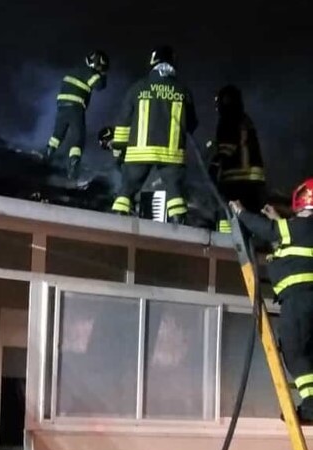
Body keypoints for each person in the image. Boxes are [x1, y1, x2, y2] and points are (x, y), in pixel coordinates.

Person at [230, 178, 313, 424]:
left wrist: (242, 213)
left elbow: (269, 231)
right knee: (308, 352)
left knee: (295, 351)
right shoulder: (302, 231)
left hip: (298, 299)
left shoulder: (303, 226)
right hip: (306, 300)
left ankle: (311, 406)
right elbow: (288, 239)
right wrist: (277, 219)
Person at [109, 45, 198, 224]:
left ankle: (118, 218)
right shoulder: (182, 91)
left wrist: (119, 150)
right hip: (172, 154)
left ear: (153, 62)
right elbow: (192, 124)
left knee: (128, 186)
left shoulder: (138, 88)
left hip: (139, 152)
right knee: (174, 190)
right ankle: (179, 222)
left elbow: (124, 122)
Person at [209, 85, 266, 233]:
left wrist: (213, 165)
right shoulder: (245, 119)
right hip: (254, 181)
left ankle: (226, 242)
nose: (217, 107)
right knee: (250, 218)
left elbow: (227, 148)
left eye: (218, 101)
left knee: (229, 215)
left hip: (237, 179)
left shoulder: (228, 118)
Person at [44, 50, 109, 179]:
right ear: (97, 64)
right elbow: (100, 86)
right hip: (75, 108)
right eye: (101, 67)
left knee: (57, 135)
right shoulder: (90, 73)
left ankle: (46, 158)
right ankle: (73, 170)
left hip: (62, 107)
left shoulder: (73, 71)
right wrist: (103, 75)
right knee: (78, 138)